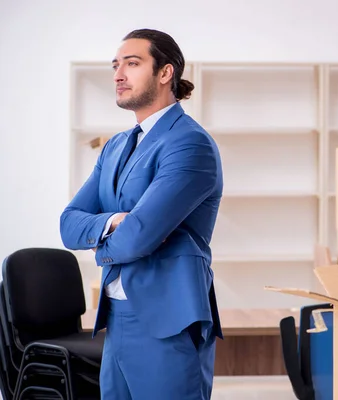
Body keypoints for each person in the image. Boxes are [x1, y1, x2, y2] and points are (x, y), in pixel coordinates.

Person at [59, 28, 223, 399]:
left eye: (132, 63)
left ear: (165, 73)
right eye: (116, 65)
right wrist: (115, 221)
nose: (119, 74)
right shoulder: (116, 145)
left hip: (167, 319)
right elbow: (69, 223)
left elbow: (140, 235)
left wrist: (102, 244)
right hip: (116, 317)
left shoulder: (189, 143)